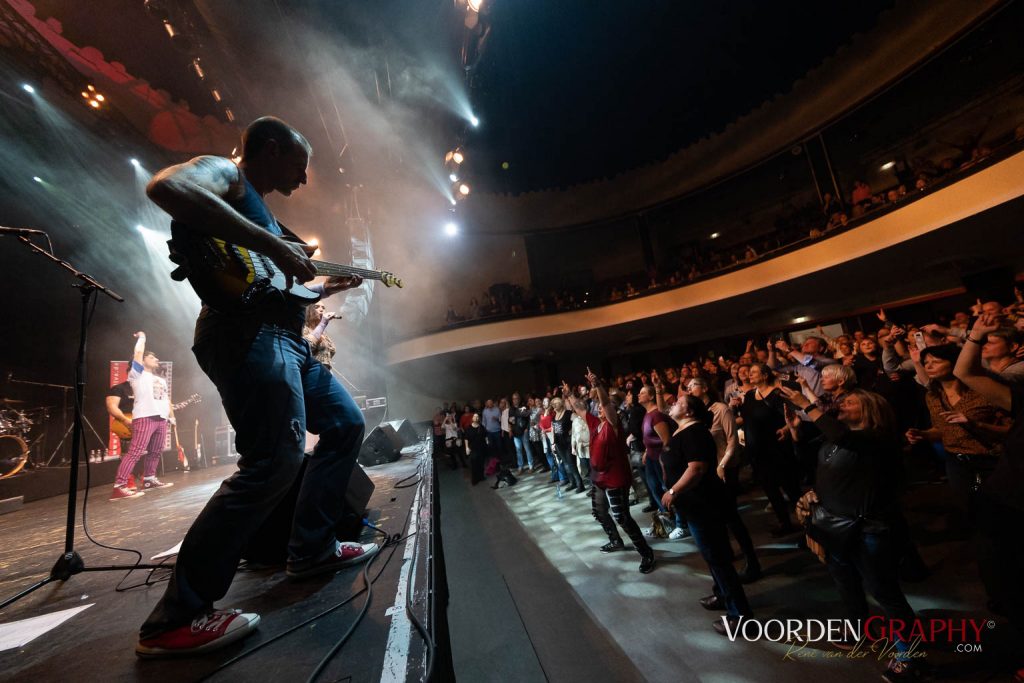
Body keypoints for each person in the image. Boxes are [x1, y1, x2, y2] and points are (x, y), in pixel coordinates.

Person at [137, 116, 376, 657]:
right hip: (245, 336)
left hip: (285, 337)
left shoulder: (261, 209)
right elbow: (165, 186)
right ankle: (177, 617)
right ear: (269, 149)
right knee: (272, 462)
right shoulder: (226, 173)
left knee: (345, 423)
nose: (305, 179)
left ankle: (310, 548)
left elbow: (278, 290)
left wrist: (322, 290)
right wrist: (272, 240)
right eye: (299, 166)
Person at [784, 387, 923, 681]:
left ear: (871, 409)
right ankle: (859, 629)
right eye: (842, 400)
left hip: (869, 529)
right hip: (834, 526)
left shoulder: (879, 440)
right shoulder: (834, 437)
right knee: (845, 582)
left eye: (850, 401)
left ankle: (909, 656)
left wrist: (806, 404)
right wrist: (797, 435)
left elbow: (846, 439)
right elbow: (815, 465)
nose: (841, 404)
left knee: (885, 592)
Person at [661, 393, 753, 634]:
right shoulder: (683, 431)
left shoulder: (695, 433)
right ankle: (722, 595)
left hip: (705, 504)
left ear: (689, 412)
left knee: (718, 558)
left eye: (678, 402)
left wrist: (673, 490)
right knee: (712, 556)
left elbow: (697, 468)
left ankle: (740, 616)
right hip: (694, 506)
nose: (673, 404)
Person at [565, 377, 655, 574]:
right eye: (598, 407)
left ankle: (646, 552)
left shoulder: (613, 426)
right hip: (599, 477)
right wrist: (569, 394)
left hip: (615, 477)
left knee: (622, 516)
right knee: (599, 511)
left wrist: (597, 385)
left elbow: (605, 402)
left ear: (613, 411)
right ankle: (615, 540)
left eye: (604, 407)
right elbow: (580, 409)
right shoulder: (595, 423)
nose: (600, 408)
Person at [688, 377, 760, 582]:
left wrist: (721, 466)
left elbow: (732, 440)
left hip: (725, 467)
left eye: (693, 385)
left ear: (704, 387)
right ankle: (728, 553)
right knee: (719, 516)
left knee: (731, 516)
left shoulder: (721, 409)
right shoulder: (697, 413)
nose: (689, 389)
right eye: (688, 387)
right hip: (709, 469)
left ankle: (752, 562)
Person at [737, 363, 802, 536]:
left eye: (754, 372)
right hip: (757, 451)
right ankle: (785, 523)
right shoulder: (749, 396)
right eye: (749, 373)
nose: (750, 375)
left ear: (765, 375)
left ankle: (809, 522)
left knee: (791, 488)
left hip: (776, 448)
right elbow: (746, 419)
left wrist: (786, 429)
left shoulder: (776, 395)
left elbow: (792, 418)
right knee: (770, 490)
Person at [111, 331, 174, 500]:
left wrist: (170, 417)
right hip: (145, 416)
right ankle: (120, 486)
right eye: (153, 358)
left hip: (161, 418)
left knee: (155, 450)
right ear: (143, 360)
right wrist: (143, 338)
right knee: (135, 452)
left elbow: (166, 399)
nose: (157, 360)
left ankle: (149, 479)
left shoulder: (160, 379)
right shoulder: (136, 374)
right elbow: (138, 353)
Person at [303, 302, 337, 369]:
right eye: (316, 307)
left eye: (323, 308)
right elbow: (305, 347)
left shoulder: (324, 334)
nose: (321, 310)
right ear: (309, 310)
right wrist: (323, 323)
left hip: (323, 373)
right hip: (309, 371)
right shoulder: (304, 328)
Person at [464, 413, 488, 485]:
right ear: (472, 419)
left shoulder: (482, 427)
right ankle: (474, 479)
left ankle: (481, 477)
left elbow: (485, 436)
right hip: (473, 448)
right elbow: (466, 439)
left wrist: (487, 441)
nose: (476, 418)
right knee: (474, 464)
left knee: (481, 463)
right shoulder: (469, 428)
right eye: (475, 417)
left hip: (481, 448)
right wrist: (466, 447)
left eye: (477, 417)